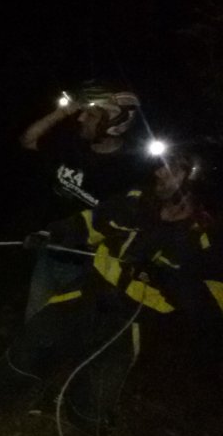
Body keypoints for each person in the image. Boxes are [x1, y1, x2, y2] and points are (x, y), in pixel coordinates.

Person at [0, 144, 223, 436]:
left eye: (171, 169)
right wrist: (53, 234)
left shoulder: (206, 239)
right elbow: (92, 222)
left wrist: (167, 280)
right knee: (31, 346)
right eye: (161, 165)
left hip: (131, 318)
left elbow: (213, 299)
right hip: (88, 291)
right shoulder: (137, 200)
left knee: (96, 395)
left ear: (193, 182)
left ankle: (79, 422)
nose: (158, 172)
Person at [19, 85, 148, 319]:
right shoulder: (74, 145)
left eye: (91, 114)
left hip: (86, 267)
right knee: (35, 320)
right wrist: (62, 112)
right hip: (48, 249)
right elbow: (29, 140)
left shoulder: (129, 170)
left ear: (113, 123)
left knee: (67, 328)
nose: (80, 118)